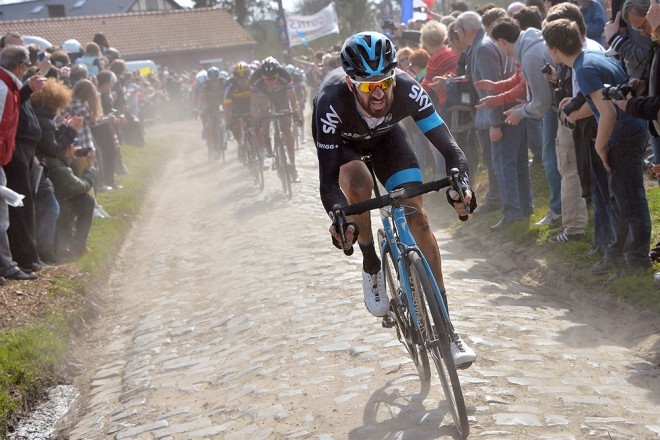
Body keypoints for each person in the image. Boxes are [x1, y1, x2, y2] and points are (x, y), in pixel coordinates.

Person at [312, 31, 477, 367]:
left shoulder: (407, 88)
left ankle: (447, 327)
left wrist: (461, 185)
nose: (378, 93)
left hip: (387, 139)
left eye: (385, 83)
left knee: (418, 215)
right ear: (350, 83)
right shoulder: (330, 103)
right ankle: (371, 263)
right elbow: (328, 182)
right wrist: (339, 217)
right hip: (345, 146)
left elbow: (451, 149)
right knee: (358, 185)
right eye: (368, 86)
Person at [543, 19, 653, 279]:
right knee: (619, 198)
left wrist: (600, 146)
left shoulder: (583, 69)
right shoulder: (592, 57)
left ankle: (637, 261)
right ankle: (617, 254)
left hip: (624, 135)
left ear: (553, 48)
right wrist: (576, 102)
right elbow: (601, 97)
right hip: (632, 130)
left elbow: (608, 113)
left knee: (629, 199)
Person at [0, 45, 41, 281]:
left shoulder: (8, 84)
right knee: (4, 217)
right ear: (21, 66)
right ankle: (9, 264)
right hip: (5, 156)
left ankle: (9, 263)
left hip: (8, 154)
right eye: (26, 66)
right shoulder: (3, 87)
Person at [31, 78, 83, 263]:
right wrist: (72, 131)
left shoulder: (38, 115)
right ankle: (46, 251)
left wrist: (63, 129)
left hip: (37, 166)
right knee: (51, 208)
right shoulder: (44, 120)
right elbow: (52, 149)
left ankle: (47, 249)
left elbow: (48, 142)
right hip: (39, 169)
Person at [249, 57, 302, 182]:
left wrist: (296, 113)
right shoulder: (255, 78)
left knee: (286, 126)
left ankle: (292, 165)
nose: (270, 81)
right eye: (267, 79)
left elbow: (293, 100)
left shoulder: (284, 75)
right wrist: (257, 120)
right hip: (264, 96)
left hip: (281, 96)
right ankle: (266, 139)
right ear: (262, 76)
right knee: (264, 112)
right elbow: (254, 104)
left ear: (278, 74)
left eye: (273, 78)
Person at [45, 140, 97, 260]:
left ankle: (74, 244)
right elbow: (83, 186)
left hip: (54, 208)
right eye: (73, 145)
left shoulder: (56, 161)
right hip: (56, 212)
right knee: (86, 201)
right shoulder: (58, 168)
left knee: (81, 201)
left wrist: (72, 161)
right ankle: (78, 246)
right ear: (67, 148)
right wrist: (90, 166)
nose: (75, 148)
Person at [224, 61, 252, 160]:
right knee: (236, 123)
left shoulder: (253, 83)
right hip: (236, 106)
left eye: (245, 77)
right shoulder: (230, 86)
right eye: (239, 78)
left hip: (250, 103)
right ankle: (240, 144)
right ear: (235, 78)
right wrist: (227, 123)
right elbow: (227, 107)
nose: (242, 81)